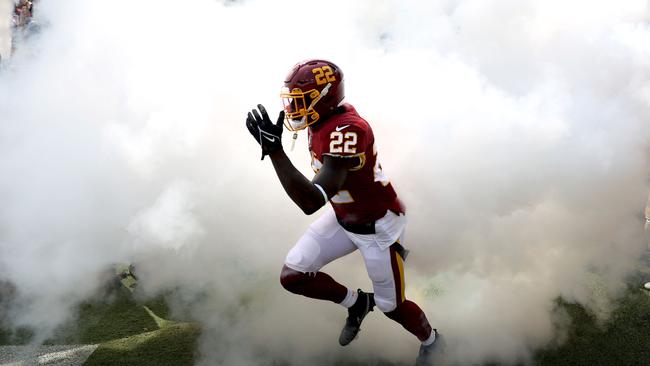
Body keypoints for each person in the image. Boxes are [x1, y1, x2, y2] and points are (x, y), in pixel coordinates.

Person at [245, 59, 442, 365]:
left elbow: (311, 202)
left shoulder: (347, 130)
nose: (295, 110)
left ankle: (433, 341)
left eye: (302, 101)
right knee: (293, 275)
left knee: (393, 307)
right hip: (344, 217)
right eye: (293, 102)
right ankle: (357, 303)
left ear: (325, 97)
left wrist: (275, 152)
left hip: (376, 226)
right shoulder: (321, 122)